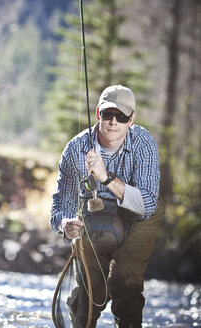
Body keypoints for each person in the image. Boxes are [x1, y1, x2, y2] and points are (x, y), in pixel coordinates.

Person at [50, 85, 162, 327]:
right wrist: (65, 224)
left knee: (125, 286)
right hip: (93, 218)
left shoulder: (144, 145)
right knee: (92, 295)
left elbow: (148, 204)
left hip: (138, 219)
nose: (113, 122)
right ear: (98, 114)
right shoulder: (75, 149)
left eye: (121, 116)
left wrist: (105, 177)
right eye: (108, 114)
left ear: (131, 120)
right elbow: (61, 206)